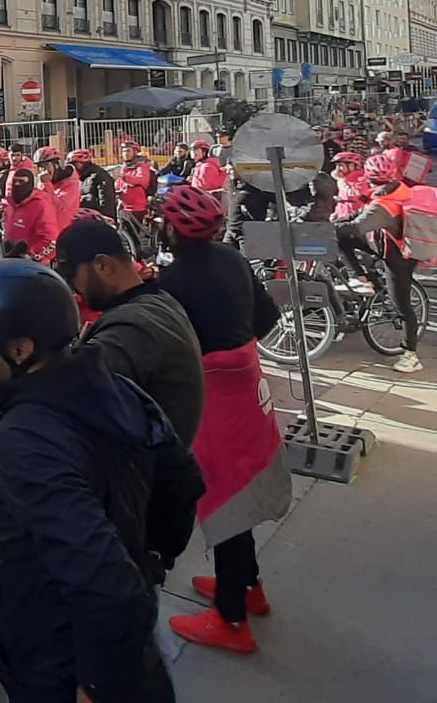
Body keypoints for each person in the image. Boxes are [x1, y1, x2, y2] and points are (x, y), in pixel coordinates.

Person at [0, 261, 197, 703]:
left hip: (58, 662)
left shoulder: (24, 442)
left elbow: (107, 585)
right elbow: (182, 481)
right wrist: (151, 560)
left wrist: (97, 685)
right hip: (104, 641)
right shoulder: (113, 386)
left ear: (19, 350)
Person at [151, 186, 292, 654]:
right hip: (250, 393)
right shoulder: (232, 259)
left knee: (227, 503)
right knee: (244, 489)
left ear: (173, 229)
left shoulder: (170, 285)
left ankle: (232, 619)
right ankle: (249, 586)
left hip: (213, 405)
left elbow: (165, 354)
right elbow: (267, 318)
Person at [57, 217, 206, 443]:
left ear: (103, 266)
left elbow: (70, 406)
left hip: (150, 472)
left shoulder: (131, 330)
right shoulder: (159, 300)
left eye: (72, 277)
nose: (74, 288)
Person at [335, 152, 426, 373]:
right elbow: (360, 212)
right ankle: (365, 279)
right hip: (387, 245)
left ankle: (411, 356)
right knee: (341, 239)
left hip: (399, 257)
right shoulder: (394, 189)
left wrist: (327, 228)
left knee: (402, 306)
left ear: (368, 176)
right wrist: (338, 221)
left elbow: (358, 226)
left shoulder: (385, 204)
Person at [1, 166, 61, 264]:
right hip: (11, 262)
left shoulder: (41, 206)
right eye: (15, 182)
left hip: (34, 267)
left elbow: (50, 241)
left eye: (21, 182)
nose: (17, 185)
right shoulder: (11, 207)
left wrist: (30, 256)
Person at [117, 140, 155, 234]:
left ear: (135, 152)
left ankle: (138, 247)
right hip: (124, 203)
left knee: (133, 231)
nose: (125, 153)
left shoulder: (142, 165)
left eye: (128, 151)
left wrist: (124, 177)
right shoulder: (124, 166)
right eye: (123, 151)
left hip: (137, 205)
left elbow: (142, 180)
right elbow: (119, 183)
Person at [35, 147, 81, 224]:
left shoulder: (70, 181)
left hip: (65, 229)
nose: (43, 170)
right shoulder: (44, 181)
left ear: (56, 165)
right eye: (40, 167)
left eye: (46, 165)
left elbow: (61, 206)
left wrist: (45, 184)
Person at [74, 149, 119, 220]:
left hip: (98, 220)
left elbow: (107, 200)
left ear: (79, 164)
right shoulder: (84, 177)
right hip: (88, 218)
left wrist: (106, 219)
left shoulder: (99, 176)